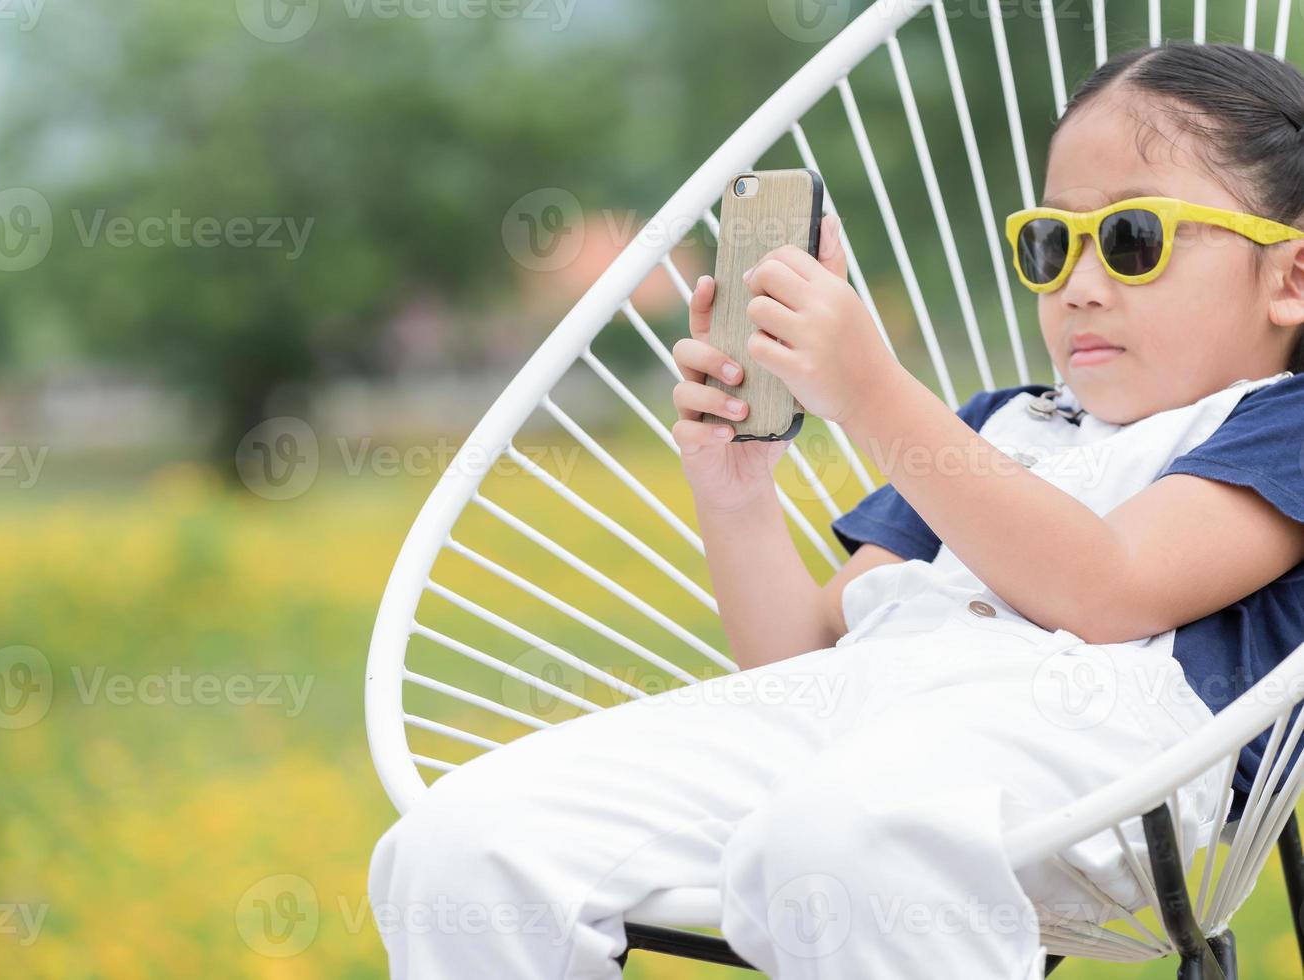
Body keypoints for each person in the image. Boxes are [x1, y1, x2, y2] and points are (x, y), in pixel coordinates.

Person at [368, 40, 1304, 978]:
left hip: (1103, 760)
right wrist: (734, 492)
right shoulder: (999, 428)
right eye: (1050, 242)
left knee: (838, 838)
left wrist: (871, 390)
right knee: (466, 843)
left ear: (1288, 278)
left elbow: (1112, 586)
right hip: (861, 716)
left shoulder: (1280, 425)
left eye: (1132, 239)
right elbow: (805, 660)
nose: (1079, 283)